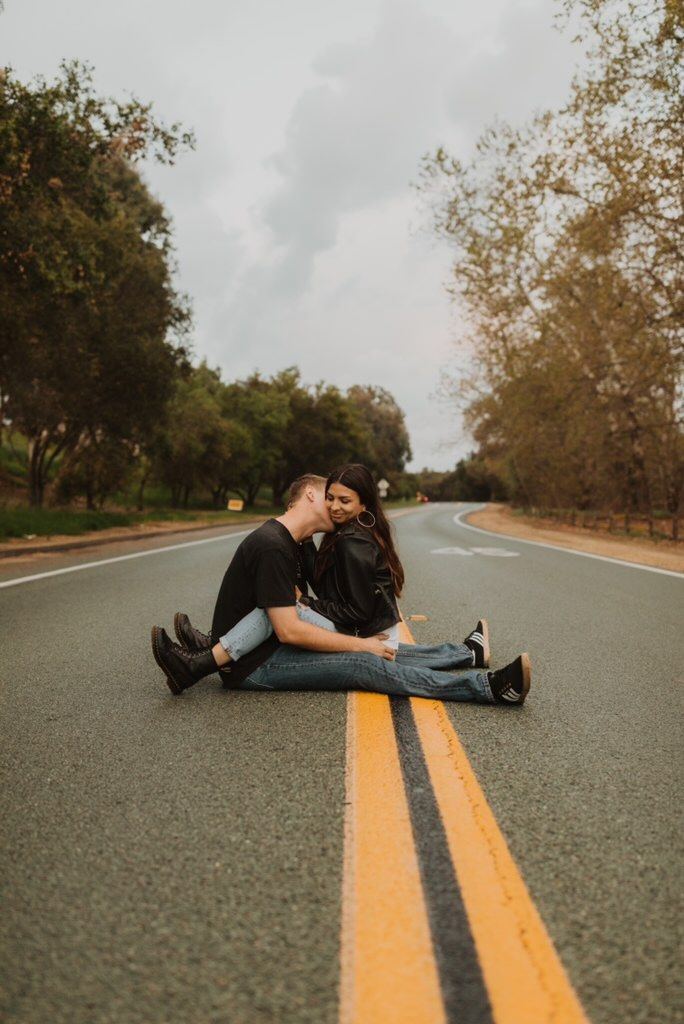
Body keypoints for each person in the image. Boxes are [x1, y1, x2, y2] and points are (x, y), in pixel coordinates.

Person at [150, 473, 531, 705]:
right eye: (329, 497)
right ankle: (486, 688)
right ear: (312, 496)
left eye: (342, 500)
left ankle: (466, 654)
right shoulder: (271, 546)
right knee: (365, 661)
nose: (336, 507)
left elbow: (302, 606)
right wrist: (360, 644)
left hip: (268, 649)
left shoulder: (291, 542)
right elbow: (289, 627)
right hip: (254, 666)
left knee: (374, 648)